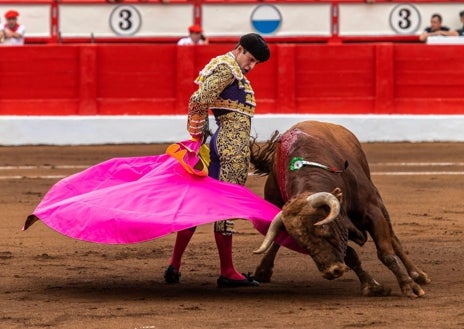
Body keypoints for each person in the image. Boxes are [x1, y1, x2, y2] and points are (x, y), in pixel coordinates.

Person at [164, 33, 271, 288]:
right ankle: (227, 271)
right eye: (251, 59)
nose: (251, 66)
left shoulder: (227, 66)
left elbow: (202, 99)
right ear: (240, 49)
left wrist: (202, 137)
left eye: (256, 63)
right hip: (230, 145)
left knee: (198, 203)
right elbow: (199, 99)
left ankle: (174, 265)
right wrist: (197, 134)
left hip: (219, 143)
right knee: (226, 205)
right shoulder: (229, 69)